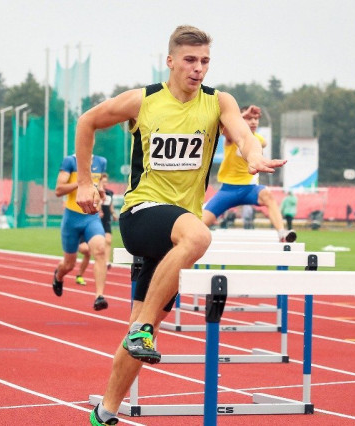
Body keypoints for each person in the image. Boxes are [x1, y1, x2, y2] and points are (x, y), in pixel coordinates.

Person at [73, 25, 287, 425]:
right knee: (199, 235)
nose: (198, 68)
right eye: (190, 60)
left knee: (144, 326)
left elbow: (242, 134)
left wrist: (254, 155)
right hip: (142, 213)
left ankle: (105, 411)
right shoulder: (143, 100)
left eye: (205, 61)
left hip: (175, 232)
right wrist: (84, 182)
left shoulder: (218, 102)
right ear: (170, 61)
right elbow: (87, 121)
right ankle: (141, 329)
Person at [202, 104, 296, 242]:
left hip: (249, 189)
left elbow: (263, 143)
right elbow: (224, 126)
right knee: (200, 224)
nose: (253, 122)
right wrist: (240, 118)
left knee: (268, 195)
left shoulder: (258, 139)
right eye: (249, 118)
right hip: (228, 190)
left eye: (256, 119)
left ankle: (282, 234)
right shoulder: (231, 137)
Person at [52, 153, 109, 311]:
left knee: (100, 250)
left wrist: (100, 192)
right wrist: (81, 183)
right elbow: (59, 190)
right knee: (69, 264)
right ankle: (58, 276)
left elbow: (98, 185)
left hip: (91, 218)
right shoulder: (70, 161)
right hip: (72, 218)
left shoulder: (101, 161)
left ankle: (99, 296)